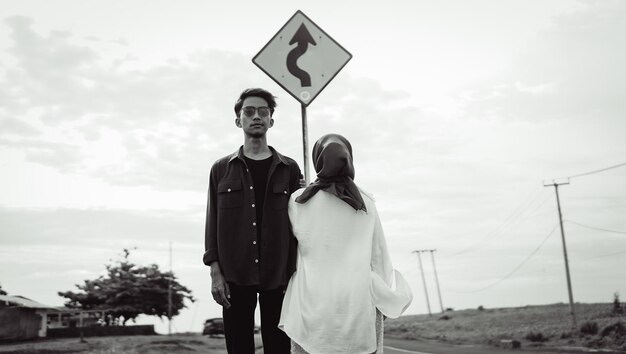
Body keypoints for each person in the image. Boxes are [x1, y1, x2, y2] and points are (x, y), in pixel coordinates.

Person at [279, 133, 413, 354]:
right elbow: (378, 255)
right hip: (357, 304)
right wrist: (383, 297)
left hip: (310, 302)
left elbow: (292, 252)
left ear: (317, 160)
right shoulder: (366, 201)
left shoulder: (298, 200)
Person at [203, 88, 301, 354]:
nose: (256, 116)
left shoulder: (289, 168)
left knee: (280, 348)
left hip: (280, 274)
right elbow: (212, 221)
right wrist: (215, 271)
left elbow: (301, 223)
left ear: (271, 120)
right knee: (238, 347)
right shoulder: (221, 169)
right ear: (239, 121)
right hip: (234, 273)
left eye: (263, 111)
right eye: (249, 111)